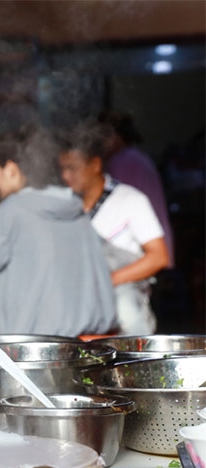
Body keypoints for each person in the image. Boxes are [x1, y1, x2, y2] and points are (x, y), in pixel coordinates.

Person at [0, 125, 116, 337]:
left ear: (11, 170)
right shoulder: (73, 207)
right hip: (82, 337)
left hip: (32, 344)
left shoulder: (13, 209)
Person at [58, 120, 170, 335]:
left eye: (72, 168)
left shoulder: (130, 200)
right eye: (62, 168)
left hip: (123, 309)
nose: (65, 176)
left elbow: (158, 257)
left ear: (95, 165)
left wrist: (107, 280)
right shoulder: (64, 204)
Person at [99, 110, 175, 267]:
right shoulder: (137, 157)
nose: (100, 144)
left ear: (116, 136)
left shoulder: (121, 162)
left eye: (103, 137)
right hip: (154, 242)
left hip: (144, 249)